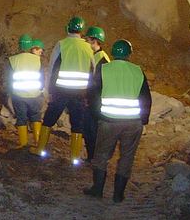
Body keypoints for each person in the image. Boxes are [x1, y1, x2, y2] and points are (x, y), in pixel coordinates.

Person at [84, 39, 152, 202]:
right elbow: (146, 98)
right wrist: (144, 119)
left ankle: (97, 189)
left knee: (101, 156)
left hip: (109, 121)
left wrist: (97, 115)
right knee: (127, 157)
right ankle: (118, 194)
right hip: (132, 122)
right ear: (129, 54)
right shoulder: (137, 71)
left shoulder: (104, 69)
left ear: (113, 53)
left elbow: (93, 94)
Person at [31, 16, 94, 164]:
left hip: (61, 91)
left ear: (68, 28)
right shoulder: (88, 47)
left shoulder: (62, 44)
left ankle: (40, 149)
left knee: (49, 119)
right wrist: (88, 93)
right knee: (77, 124)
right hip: (80, 92)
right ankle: (74, 157)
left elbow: (53, 68)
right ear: (82, 30)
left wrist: (49, 90)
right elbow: (93, 71)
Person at [7, 34, 44, 148]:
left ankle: (23, 144)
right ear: (31, 46)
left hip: (19, 95)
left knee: (21, 118)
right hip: (35, 94)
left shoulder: (13, 60)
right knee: (36, 117)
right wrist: (41, 90)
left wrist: (10, 92)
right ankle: (38, 143)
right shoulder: (38, 59)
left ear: (19, 45)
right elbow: (41, 78)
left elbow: (9, 79)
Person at [83, 26, 110, 161]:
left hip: (96, 101)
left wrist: (89, 98)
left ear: (94, 41)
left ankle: (94, 157)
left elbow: (97, 83)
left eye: (87, 40)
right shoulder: (96, 56)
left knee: (92, 130)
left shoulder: (101, 58)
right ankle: (92, 157)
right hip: (94, 99)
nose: (86, 42)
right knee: (90, 129)